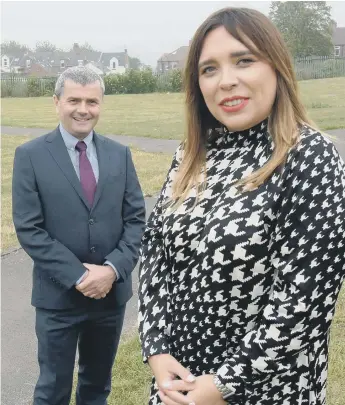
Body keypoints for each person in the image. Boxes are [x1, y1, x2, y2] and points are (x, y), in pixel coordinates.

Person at [138, 7, 345, 405]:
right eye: (209, 69)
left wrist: (223, 384)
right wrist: (156, 348)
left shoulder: (307, 156)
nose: (226, 81)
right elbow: (155, 254)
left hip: (266, 391)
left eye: (244, 60)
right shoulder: (192, 154)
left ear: (276, 67)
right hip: (179, 386)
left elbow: (305, 299)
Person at [12, 66, 146, 405]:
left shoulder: (120, 154)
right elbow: (30, 228)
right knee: (52, 390)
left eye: (92, 101)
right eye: (74, 100)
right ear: (56, 102)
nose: (83, 109)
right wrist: (80, 275)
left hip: (110, 298)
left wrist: (112, 270)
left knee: (96, 387)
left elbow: (136, 220)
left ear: (101, 104)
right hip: (58, 299)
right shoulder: (30, 156)